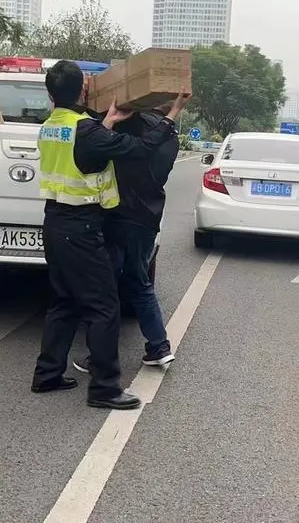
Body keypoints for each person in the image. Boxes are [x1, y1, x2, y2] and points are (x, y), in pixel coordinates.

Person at [31, 60, 181, 410]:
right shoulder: (87, 131)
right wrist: (172, 114)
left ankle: (48, 373)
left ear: (50, 94)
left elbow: (81, 149)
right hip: (81, 228)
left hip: (53, 224)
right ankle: (105, 388)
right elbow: (142, 150)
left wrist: (108, 121)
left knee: (65, 301)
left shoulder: (51, 127)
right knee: (105, 307)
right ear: (84, 89)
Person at [72, 93, 191, 374]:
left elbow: (100, 123)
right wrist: (173, 112)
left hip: (116, 215)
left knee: (106, 287)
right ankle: (159, 347)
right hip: (146, 220)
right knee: (139, 283)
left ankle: (99, 357)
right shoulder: (170, 138)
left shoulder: (134, 126)